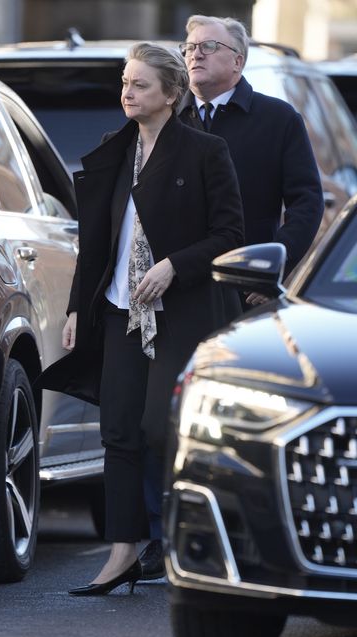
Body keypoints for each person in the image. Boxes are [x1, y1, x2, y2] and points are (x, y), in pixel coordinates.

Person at [37, 41, 244, 596]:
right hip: (120, 310)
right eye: (125, 83)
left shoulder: (205, 152)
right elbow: (95, 241)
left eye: (141, 85)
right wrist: (80, 306)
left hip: (181, 312)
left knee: (161, 427)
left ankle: (190, 542)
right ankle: (123, 553)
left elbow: (230, 235)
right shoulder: (112, 151)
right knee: (119, 432)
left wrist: (176, 265)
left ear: (172, 95)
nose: (128, 92)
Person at [140, 14, 325, 580]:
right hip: (173, 291)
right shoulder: (170, 120)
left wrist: (267, 275)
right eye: (188, 47)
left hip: (245, 298)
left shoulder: (277, 119)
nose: (193, 55)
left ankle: (237, 538)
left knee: (236, 417)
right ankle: (159, 538)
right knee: (158, 417)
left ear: (237, 61)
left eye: (207, 48)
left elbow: (307, 203)